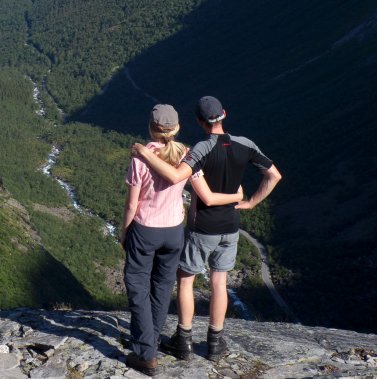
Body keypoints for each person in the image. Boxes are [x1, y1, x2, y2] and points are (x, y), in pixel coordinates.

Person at [132, 95, 282, 362]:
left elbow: (177, 175)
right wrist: (249, 203)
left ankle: (184, 340)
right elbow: (274, 175)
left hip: (203, 227)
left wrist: (143, 153)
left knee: (186, 280)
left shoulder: (201, 148)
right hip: (231, 227)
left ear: (200, 122)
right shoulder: (245, 145)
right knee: (219, 282)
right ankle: (214, 343)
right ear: (224, 113)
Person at [121, 104, 243, 376]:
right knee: (163, 287)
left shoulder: (140, 157)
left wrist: (125, 231)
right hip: (174, 231)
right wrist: (236, 197)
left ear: (152, 128)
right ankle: (150, 340)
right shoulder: (187, 155)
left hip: (146, 228)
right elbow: (204, 190)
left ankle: (145, 352)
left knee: (138, 285)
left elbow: (132, 205)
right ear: (176, 129)